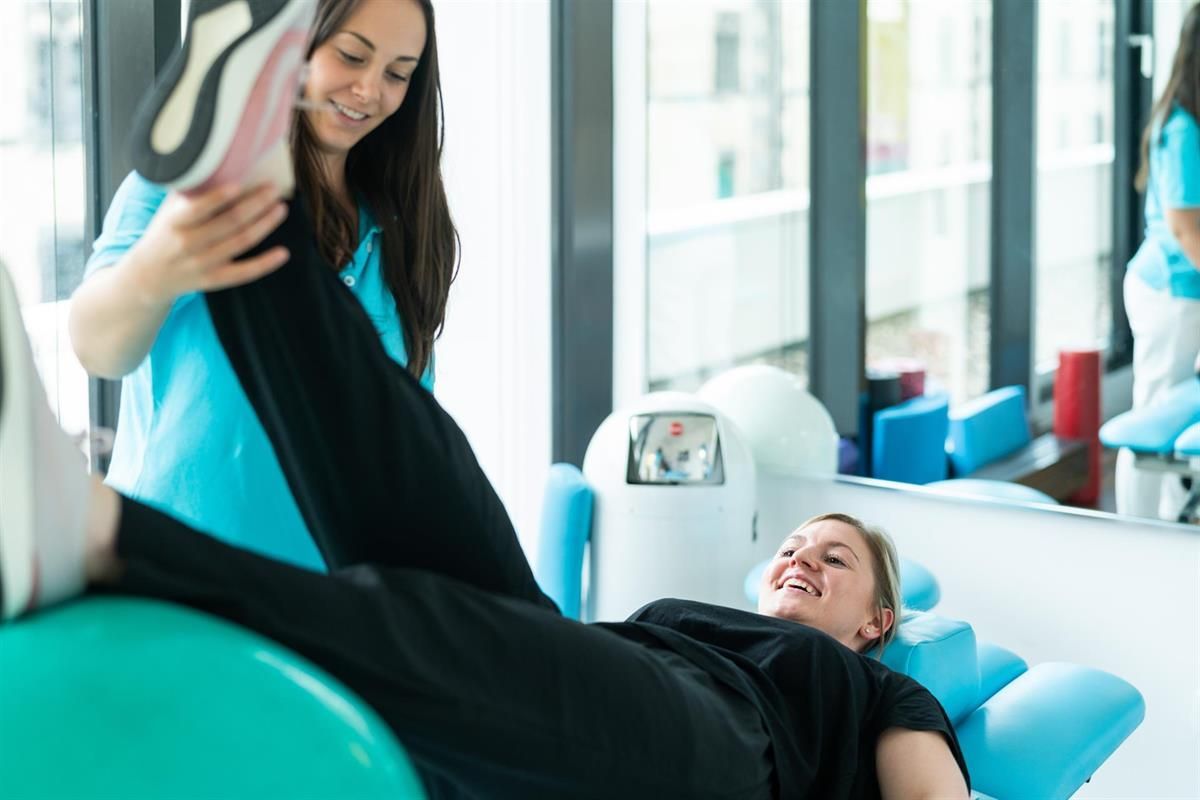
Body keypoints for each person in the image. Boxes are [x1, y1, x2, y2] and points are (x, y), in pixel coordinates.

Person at [0, 211, 970, 799]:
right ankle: (253, 213)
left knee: (412, 620)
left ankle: (95, 528)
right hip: (592, 678)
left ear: (878, 620)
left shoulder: (882, 690)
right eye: (798, 542)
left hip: (714, 760)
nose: (801, 555)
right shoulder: (700, 614)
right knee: (418, 484)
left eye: (833, 558)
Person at [67, 0, 457, 570]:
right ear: (293, 45)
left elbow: (405, 452)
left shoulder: (398, 229)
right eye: (351, 56)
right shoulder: (189, 190)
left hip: (331, 601)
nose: (370, 91)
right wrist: (159, 267)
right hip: (181, 582)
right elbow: (95, 345)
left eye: (398, 74)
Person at [1121, 3, 1200, 521]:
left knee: (1176, 414)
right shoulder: (1183, 127)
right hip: (1168, 292)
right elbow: (1185, 226)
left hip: (1184, 290)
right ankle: (1135, 531)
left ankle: (1173, 524)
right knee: (1150, 421)